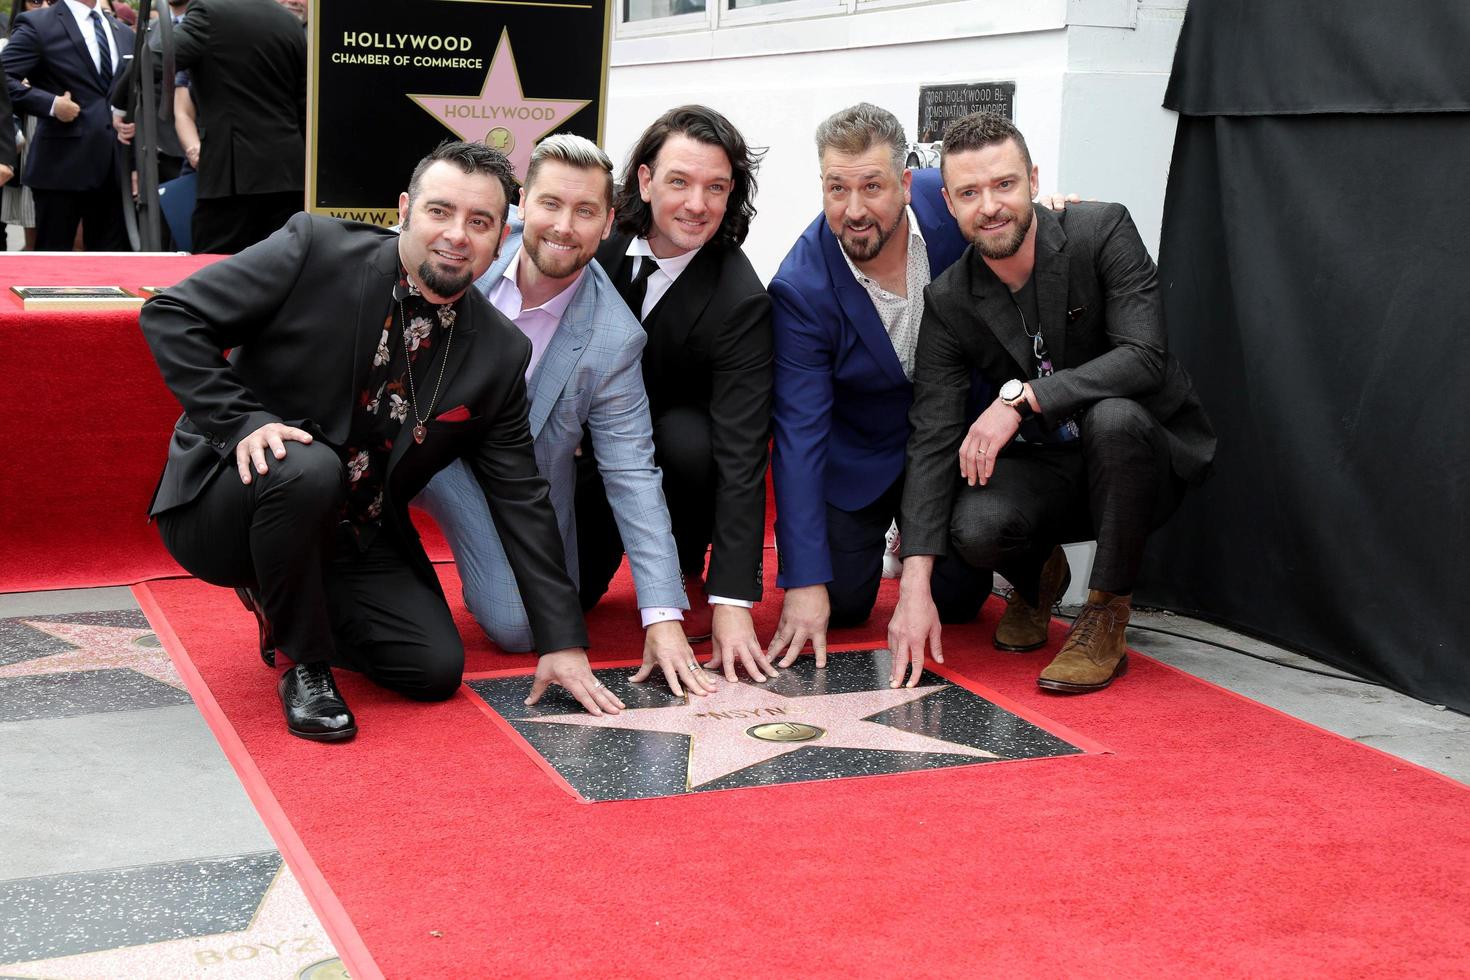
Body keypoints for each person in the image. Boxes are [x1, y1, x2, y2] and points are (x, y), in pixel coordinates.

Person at [141, 140, 622, 742]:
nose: (456, 235)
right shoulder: (313, 249)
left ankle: (286, 592)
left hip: (356, 529)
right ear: (404, 210)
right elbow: (172, 315)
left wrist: (562, 641)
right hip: (233, 502)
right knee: (308, 467)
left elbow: (519, 493)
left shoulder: (500, 352)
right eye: (439, 212)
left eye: (479, 222)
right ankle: (303, 663)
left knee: (433, 669)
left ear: (502, 235)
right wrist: (241, 421)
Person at [889, 112, 1215, 693]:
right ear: (950, 202)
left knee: (1113, 418)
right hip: (1052, 469)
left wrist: (1022, 399)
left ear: (1034, 181)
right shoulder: (950, 299)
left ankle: (1104, 616)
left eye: (1004, 184)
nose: (990, 205)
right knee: (973, 521)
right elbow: (932, 433)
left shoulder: (1101, 229)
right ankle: (1037, 577)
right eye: (970, 192)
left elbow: (1144, 357)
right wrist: (913, 588)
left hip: (1144, 460)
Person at [416, 134, 713, 700]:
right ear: (522, 201)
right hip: (413, 441)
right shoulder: (467, 249)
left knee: (524, 626)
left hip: (518, 484)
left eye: (585, 212)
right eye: (551, 204)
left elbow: (632, 472)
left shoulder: (615, 338)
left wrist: (662, 613)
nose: (563, 226)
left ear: (607, 225)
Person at [765, 103, 995, 672]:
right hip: (860, 455)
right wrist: (803, 580)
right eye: (836, 188)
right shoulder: (800, 288)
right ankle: (875, 547)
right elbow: (798, 436)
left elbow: (1008, 210)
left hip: (950, 444)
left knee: (962, 601)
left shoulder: (951, 209)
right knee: (840, 604)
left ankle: (931, 545)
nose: (854, 209)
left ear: (908, 183)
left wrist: (1060, 211)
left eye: (872, 186)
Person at [586, 105, 777, 683]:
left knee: (693, 439)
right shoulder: (598, 238)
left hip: (673, 466)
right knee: (562, 600)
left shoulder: (741, 298)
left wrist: (732, 599)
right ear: (644, 181)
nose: (697, 204)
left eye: (716, 187)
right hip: (584, 459)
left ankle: (684, 565)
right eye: (679, 182)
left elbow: (744, 454)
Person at [172, 0, 305, 253]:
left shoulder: (208, 12)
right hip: (287, 174)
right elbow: (304, 106)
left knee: (214, 273)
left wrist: (119, 104)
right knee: (279, 270)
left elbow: (158, 57)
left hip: (231, 177)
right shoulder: (289, 21)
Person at [1, 0, 134, 250]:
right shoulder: (39, 24)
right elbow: (3, 78)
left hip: (114, 169)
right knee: (53, 270)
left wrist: (131, 122)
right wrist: (50, 104)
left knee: (110, 270)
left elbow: (133, 91)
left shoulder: (123, 32)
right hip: (60, 168)